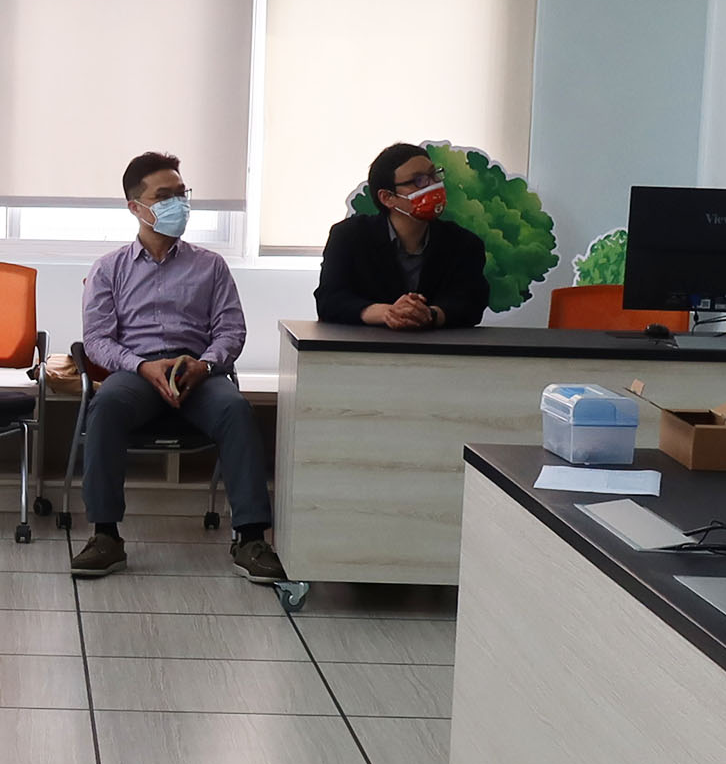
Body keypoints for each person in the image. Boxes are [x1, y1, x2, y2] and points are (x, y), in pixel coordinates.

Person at [71, 152, 286, 586]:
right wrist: (142, 366)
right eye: (164, 196)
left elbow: (232, 331)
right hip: (138, 373)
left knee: (236, 410)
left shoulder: (211, 266)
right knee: (106, 405)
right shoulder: (109, 269)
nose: (179, 204)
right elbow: (97, 340)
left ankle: (250, 539)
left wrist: (204, 364)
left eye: (182, 194)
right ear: (136, 207)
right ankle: (106, 535)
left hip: (198, 373)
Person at [318, 142, 488, 332]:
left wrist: (430, 314)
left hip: (437, 347)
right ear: (387, 197)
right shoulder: (348, 236)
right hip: (367, 345)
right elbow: (329, 300)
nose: (433, 185)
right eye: (419, 181)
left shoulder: (463, 243)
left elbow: (471, 303)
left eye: (434, 175)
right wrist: (387, 313)